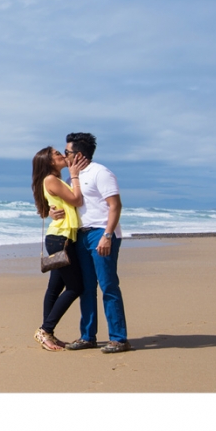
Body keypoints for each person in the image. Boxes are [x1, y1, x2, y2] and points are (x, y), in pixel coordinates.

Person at [52, 132, 131, 354]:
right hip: (80, 235)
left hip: (101, 233)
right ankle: (88, 336)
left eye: (66, 152)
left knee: (108, 285)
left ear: (78, 154)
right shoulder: (71, 178)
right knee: (86, 287)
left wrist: (107, 235)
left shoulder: (101, 173)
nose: (64, 156)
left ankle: (119, 338)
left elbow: (115, 206)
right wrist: (52, 212)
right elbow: (71, 205)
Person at [30, 146, 87, 351]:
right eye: (56, 154)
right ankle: (45, 329)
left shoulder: (52, 180)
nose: (62, 155)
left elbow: (49, 207)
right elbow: (77, 200)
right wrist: (75, 176)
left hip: (61, 237)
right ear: (49, 162)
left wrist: (52, 212)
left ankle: (48, 335)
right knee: (75, 287)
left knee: (55, 288)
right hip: (60, 239)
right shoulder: (51, 179)